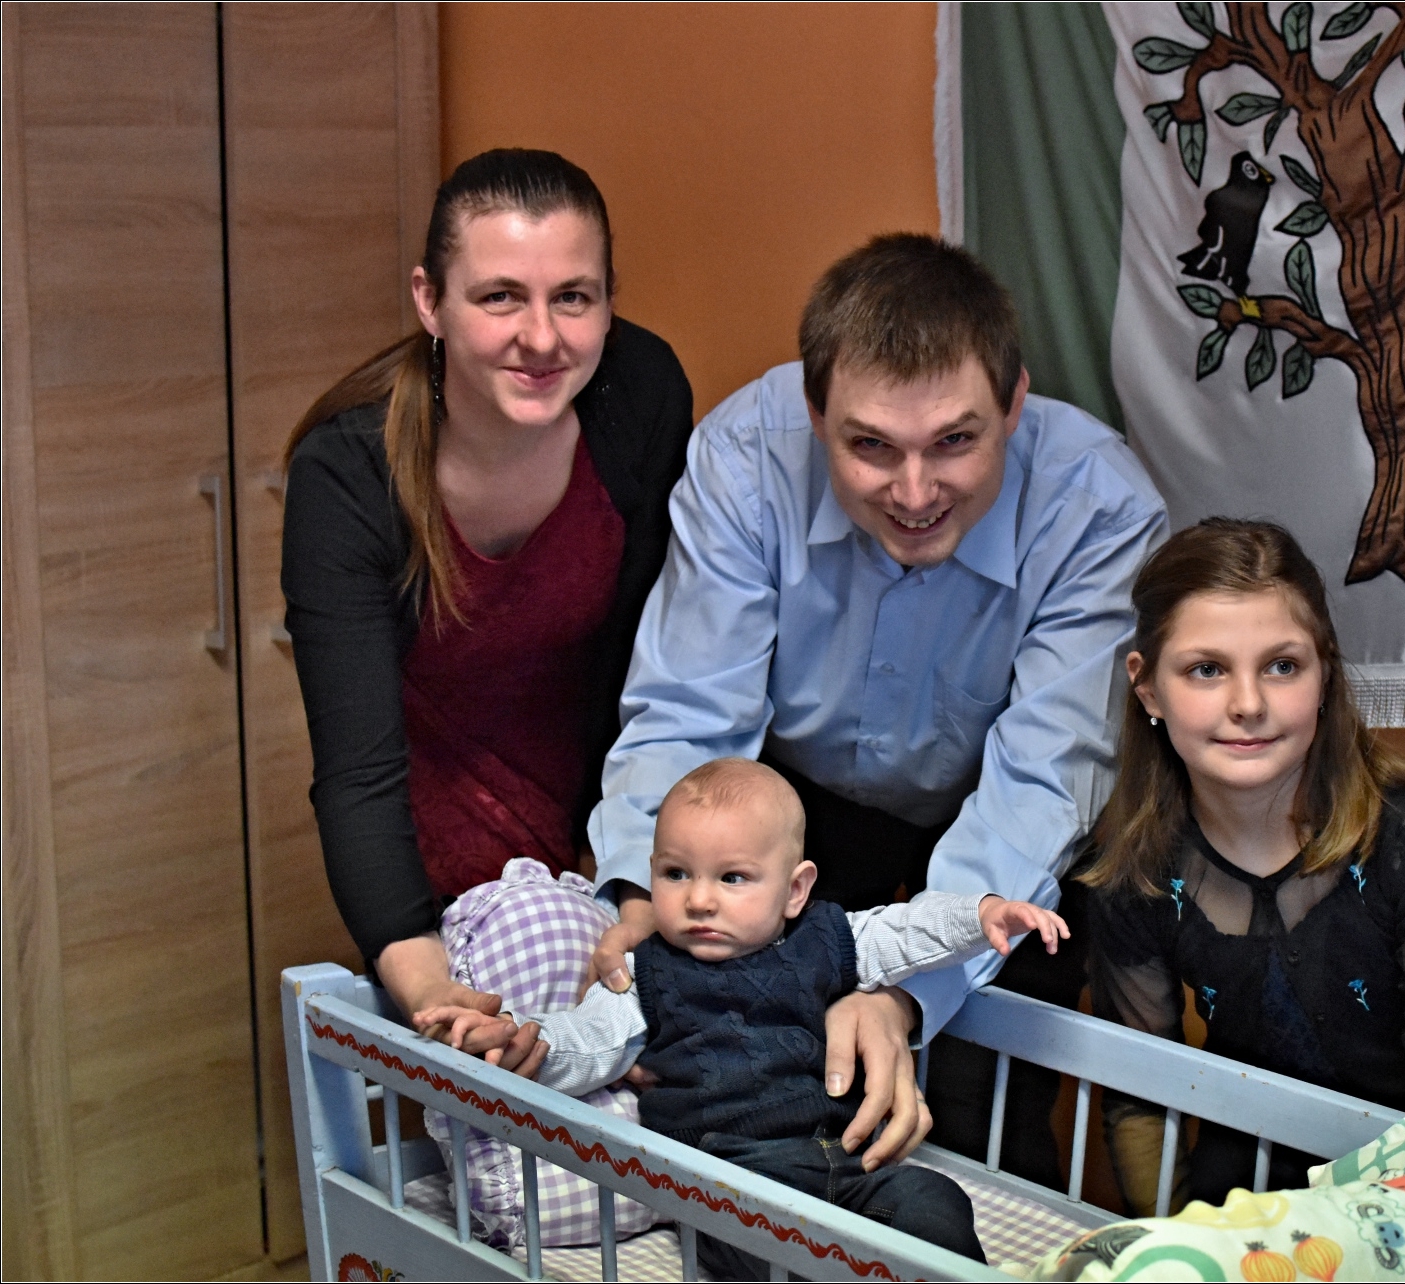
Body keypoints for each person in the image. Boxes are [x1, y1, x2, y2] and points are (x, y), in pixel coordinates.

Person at [585, 233, 1169, 1177]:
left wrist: (900, 995)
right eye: (870, 447)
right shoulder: (744, 456)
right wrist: (645, 901)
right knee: (769, 1096)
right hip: (802, 811)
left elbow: (1043, 780)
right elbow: (690, 714)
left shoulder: (1100, 507)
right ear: (815, 413)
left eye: (955, 442)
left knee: (981, 1128)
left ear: (1014, 404)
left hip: (1006, 820)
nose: (915, 491)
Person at [282, 149, 694, 1076]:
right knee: (485, 1139)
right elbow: (357, 769)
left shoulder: (642, 396)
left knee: (643, 1110)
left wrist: (631, 874)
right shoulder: (349, 473)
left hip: (605, 844)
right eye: (500, 297)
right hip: (426, 874)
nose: (541, 338)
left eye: (574, 297)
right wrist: (424, 979)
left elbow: (654, 664)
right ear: (430, 301)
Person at [421, 758, 1069, 1279]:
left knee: (933, 1199)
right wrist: (519, 1040)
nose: (700, 899)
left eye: (732, 878)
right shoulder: (649, 975)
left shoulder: (825, 939)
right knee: (773, 1248)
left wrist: (983, 914)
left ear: (795, 889)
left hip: (848, 1166)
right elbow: (588, 1041)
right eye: (677, 874)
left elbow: (903, 931)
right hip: (730, 1187)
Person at [1080, 519, 1405, 1213]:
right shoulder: (1135, 865)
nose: (1248, 705)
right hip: (1244, 1184)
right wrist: (1178, 1249)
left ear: (1325, 673)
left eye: (1282, 666)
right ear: (1148, 687)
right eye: (1206, 669)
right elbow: (1141, 1102)